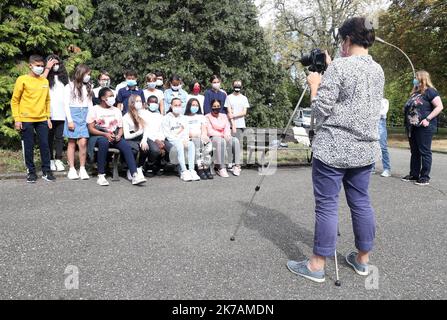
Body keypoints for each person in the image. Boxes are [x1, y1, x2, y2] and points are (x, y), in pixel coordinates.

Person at [286, 17, 384, 283]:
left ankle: (317, 265)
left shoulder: (340, 68)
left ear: (348, 40)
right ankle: (363, 259)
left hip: (334, 149)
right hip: (364, 150)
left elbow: (319, 112)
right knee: (361, 202)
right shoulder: (378, 70)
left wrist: (315, 86)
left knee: (328, 206)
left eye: (343, 40)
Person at [87, 88, 146, 186]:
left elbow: (120, 127)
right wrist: (105, 134)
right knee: (103, 142)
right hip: (99, 135)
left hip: (114, 135)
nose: (112, 98)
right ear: (102, 98)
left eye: (113, 96)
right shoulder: (94, 109)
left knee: (126, 145)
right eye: (109, 96)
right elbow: (91, 129)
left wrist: (119, 135)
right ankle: (101, 175)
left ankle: (134, 174)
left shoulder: (116, 110)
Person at [10, 54, 55, 183]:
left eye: (42, 66)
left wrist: (48, 117)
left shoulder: (44, 81)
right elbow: (15, 101)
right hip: (26, 119)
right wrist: (17, 119)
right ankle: (31, 171)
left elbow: (47, 101)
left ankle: (47, 171)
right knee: (28, 146)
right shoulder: (22, 79)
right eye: (37, 66)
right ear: (30, 66)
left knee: (45, 145)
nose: (40, 68)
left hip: (42, 119)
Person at [402, 70, 444, 186]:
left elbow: (439, 106)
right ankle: (414, 175)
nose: (414, 80)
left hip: (424, 126)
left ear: (422, 79)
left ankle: (424, 177)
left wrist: (428, 119)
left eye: (415, 77)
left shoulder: (430, 91)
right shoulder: (415, 93)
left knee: (424, 151)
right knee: (414, 152)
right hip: (412, 127)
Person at [64, 64, 93, 180]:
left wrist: (90, 118)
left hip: (85, 114)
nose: (88, 77)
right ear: (80, 73)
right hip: (73, 114)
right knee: (71, 142)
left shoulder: (88, 87)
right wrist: (70, 120)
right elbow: (66, 105)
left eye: (89, 74)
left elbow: (90, 103)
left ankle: (82, 168)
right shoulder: (69, 86)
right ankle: (71, 168)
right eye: (87, 74)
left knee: (83, 142)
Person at [162, 98, 200, 181]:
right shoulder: (166, 118)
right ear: (171, 106)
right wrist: (179, 140)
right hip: (172, 140)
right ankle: (184, 170)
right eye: (175, 105)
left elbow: (186, 130)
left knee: (191, 144)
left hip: (183, 139)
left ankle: (191, 170)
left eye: (179, 105)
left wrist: (186, 139)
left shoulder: (183, 118)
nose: (177, 107)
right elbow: (167, 134)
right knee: (179, 145)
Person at [43, 54, 69, 172]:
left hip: (62, 113)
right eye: (52, 63)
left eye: (57, 63)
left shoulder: (65, 78)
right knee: (49, 138)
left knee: (59, 138)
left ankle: (58, 159)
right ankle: (50, 160)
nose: (55, 66)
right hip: (49, 113)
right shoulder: (45, 78)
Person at [205, 99, 241, 177]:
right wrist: (222, 135)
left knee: (235, 140)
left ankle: (237, 166)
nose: (216, 108)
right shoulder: (207, 117)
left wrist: (227, 135)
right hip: (213, 138)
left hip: (224, 136)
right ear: (211, 107)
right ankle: (221, 167)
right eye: (214, 106)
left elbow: (227, 127)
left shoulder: (224, 116)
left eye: (218, 106)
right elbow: (209, 131)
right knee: (221, 141)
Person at [122, 94, 150, 179]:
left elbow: (146, 129)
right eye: (137, 101)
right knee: (134, 150)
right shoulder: (126, 117)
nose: (139, 103)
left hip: (141, 137)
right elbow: (126, 136)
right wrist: (138, 133)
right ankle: (130, 169)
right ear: (132, 103)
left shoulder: (144, 113)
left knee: (146, 148)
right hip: (130, 138)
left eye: (140, 101)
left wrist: (144, 140)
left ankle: (139, 167)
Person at [185, 98, 213, 180]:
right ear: (189, 106)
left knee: (208, 145)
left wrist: (204, 135)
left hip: (201, 136)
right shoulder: (184, 117)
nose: (195, 107)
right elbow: (186, 131)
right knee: (198, 146)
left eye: (197, 105)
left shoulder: (201, 117)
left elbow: (204, 128)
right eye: (193, 105)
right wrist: (195, 135)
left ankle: (206, 167)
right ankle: (200, 169)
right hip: (191, 137)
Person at [143, 95, 167, 176]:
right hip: (148, 137)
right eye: (151, 102)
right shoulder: (144, 114)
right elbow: (146, 130)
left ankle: (160, 164)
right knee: (155, 150)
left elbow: (162, 130)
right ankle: (149, 165)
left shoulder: (160, 116)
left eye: (155, 102)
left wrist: (161, 140)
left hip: (160, 138)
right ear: (147, 104)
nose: (154, 104)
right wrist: (156, 140)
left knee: (169, 148)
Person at [373, 98, 391, 177]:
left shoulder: (384, 101)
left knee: (383, 147)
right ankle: (371, 167)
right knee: (371, 146)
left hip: (380, 122)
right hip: (371, 122)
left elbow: (383, 113)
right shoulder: (371, 98)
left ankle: (387, 169)